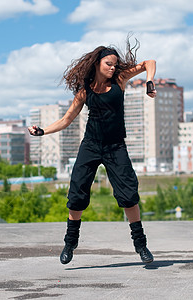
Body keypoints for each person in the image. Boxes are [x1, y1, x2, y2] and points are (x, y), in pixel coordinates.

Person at [28, 37, 156, 265]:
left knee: (128, 195)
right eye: (108, 64)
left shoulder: (120, 80)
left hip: (116, 146)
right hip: (91, 145)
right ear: (97, 64)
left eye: (115, 64)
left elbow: (149, 62)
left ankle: (141, 245)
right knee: (77, 193)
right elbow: (66, 120)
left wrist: (149, 82)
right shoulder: (85, 92)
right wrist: (42, 131)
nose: (113, 67)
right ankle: (70, 243)